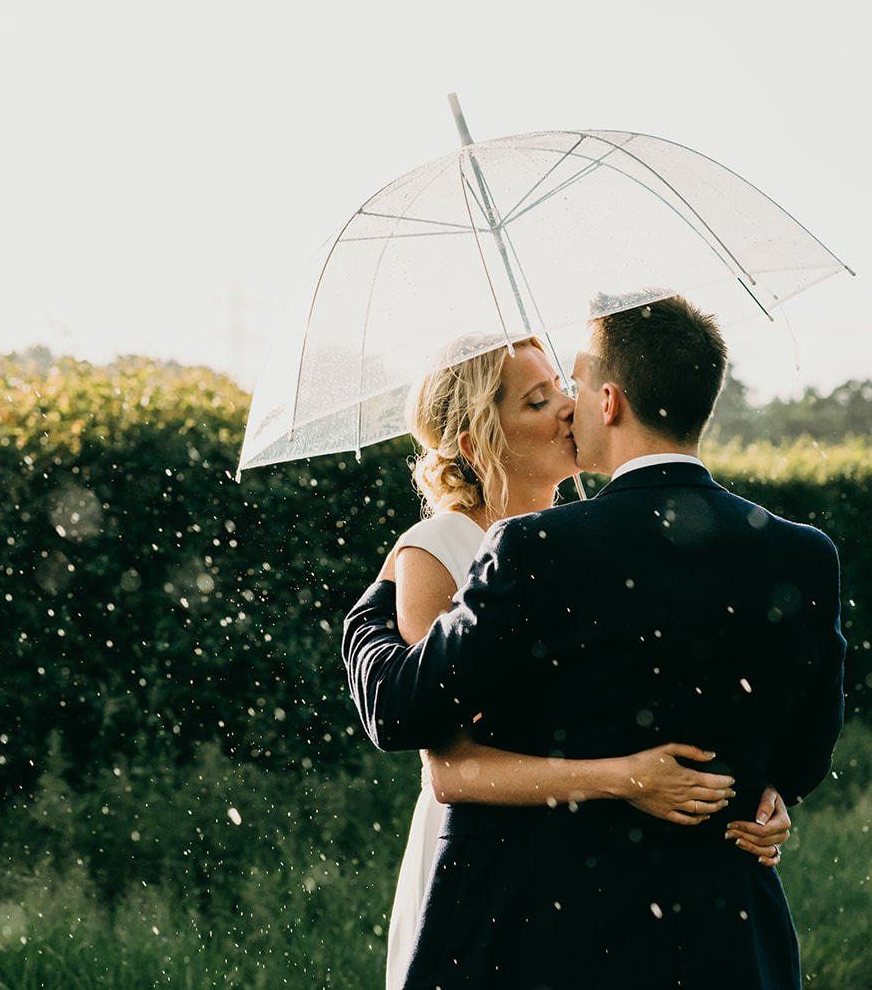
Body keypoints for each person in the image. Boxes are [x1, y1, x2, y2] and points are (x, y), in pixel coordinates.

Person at [344, 295, 846, 989]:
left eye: (570, 386)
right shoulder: (803, 553)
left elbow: (406, 710)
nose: (564, 405)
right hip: (726, 934)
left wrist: (365, 614)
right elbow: (806, 750)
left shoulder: (535, 549)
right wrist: (768, 786)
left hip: (554, 927)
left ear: (607, 403)